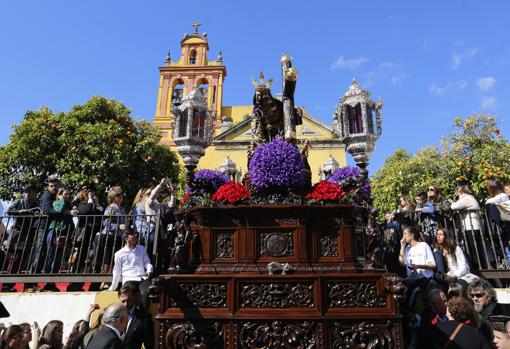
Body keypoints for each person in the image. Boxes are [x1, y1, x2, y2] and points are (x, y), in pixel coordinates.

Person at [2, 185, 40, 291]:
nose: (27, 194)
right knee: (13, 259)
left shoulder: (37, 204)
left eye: (29, 192)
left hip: (30, 235)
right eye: (25, 192)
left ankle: (15, 285)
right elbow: (9, 211)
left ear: (35, 193)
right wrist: (20, 212)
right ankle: (6, 285)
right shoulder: (19, 201)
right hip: (17, 234)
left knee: (22, 261)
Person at [108, 230, 153, 311]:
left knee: (147, 291)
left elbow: (147, 262)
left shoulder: (141, 249)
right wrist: (113, 286)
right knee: (129, 295)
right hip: (129, 279)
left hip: (142, 278)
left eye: (136, 234)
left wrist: (149, 269)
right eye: (133, 234)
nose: (136, 235)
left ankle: (143, 315)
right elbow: (117, 271)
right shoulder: (119, 254)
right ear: (126, 238)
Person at [93, 187, 127, 277]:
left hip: (118, 237)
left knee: (114, 260)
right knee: (107, 260)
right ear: (113, 197)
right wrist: (118, 226)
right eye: (118, 195)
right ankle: (103, 281)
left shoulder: (122, 209)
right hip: (109, 236)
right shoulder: (110, 208)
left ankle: (110, 281)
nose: (120, 197)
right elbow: (106, 223)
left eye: (121, 194)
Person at [45, 187, 78, 274]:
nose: (67, 196)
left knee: (58, 257)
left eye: (69, 194)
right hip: (54, 231)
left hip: (64, 232)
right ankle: (47, 276)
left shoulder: (70, 205)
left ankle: (52, 282)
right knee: (50, 255)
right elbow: (59, 209)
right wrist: (61, 199)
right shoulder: (56, 202)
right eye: (65, 194)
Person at [451, 184, 484, 269]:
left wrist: (452, 202)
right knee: (475, 248)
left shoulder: (467, 198)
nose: (457, 193)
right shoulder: (470, 198)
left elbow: (453, 206)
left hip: (470, 227)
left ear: (461, 191)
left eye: (457, 191)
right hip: (472, 226)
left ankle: (477, 267)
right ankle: (479, 266)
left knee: (473, 249)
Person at [118, 282, 155, 349]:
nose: (125, 304)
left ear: (134, 297)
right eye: (123, 301)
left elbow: (149, 345)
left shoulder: (144, 318)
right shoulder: (113, 315)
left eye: (128, 300)